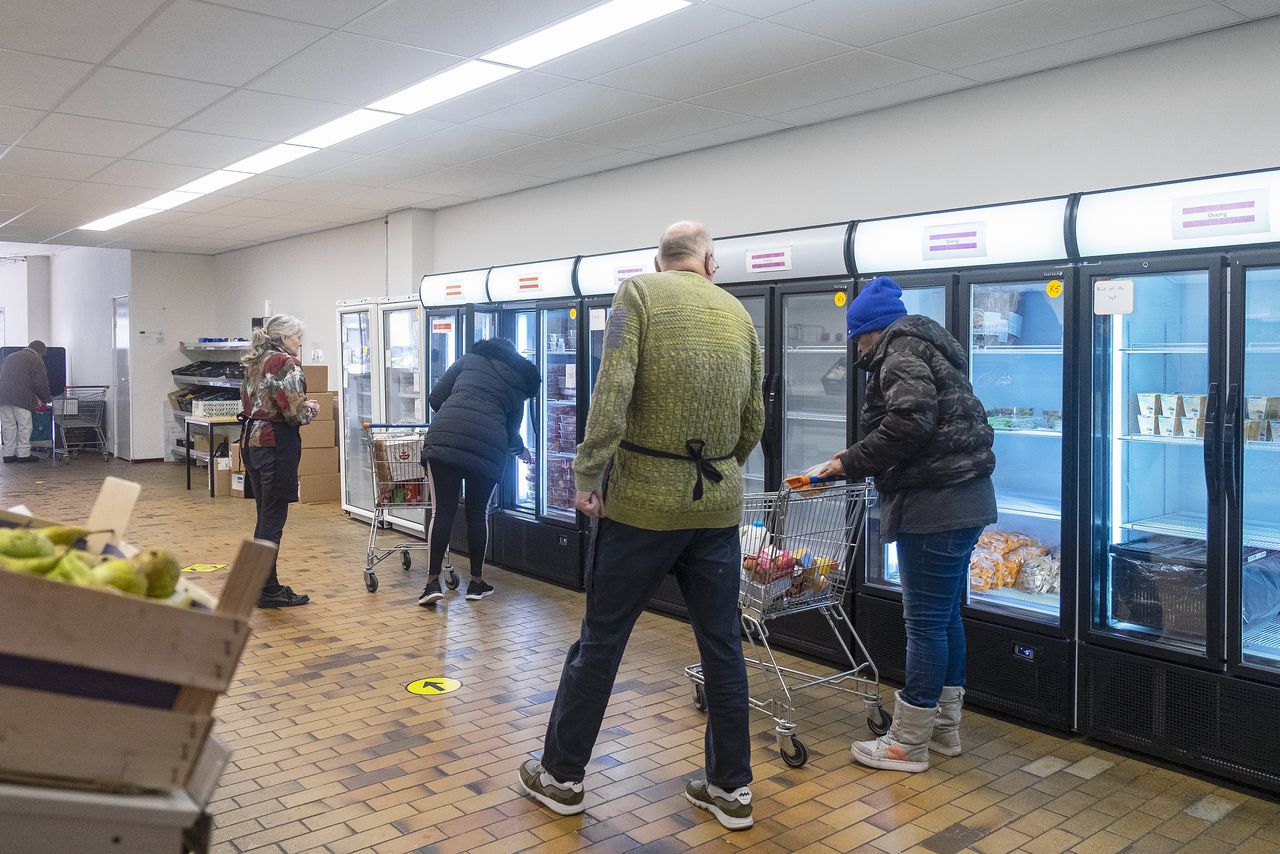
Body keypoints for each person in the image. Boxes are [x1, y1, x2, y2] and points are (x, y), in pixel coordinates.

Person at [517, 221, 765, 831]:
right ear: (709, 260)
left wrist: (587, 473)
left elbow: (613, 390)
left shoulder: (640, 295)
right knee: (722, 647)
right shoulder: (738, 313)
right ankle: (730, 789)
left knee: (601, 641)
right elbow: (754, 413)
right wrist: (727, 468)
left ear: (659, 262)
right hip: (715, 508)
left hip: (642, 507)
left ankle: (562, 777)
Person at [811, 276, 996, 773]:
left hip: (934, 506)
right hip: (967, 500)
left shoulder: (899, 353)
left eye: (857, 336)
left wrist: (845, 462)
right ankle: (942, 729)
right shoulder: (930, 347)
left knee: (925, 624)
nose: (856, 347)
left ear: (869, 330)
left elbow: (910, 422)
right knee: (945, 617)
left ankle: (906, 743)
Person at [418, 337, 539, 606]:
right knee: (476, 514)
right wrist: (522, 452)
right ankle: (476, 583)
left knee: (442, 512)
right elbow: (511, 430)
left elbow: (436, 398)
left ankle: (431, 584)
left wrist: (457, 413)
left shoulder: (468, 360)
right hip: (488, 448)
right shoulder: (517, 380)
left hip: (444, 442)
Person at [239, 315, 319, 609]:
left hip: (251, 442)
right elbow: (294, 414)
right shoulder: (286, 364)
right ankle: (266, 589)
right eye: (298, 336)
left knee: (265, 516)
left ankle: (261, 584)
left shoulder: (255, 361)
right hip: (275, 445)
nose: (300, 341)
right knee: (273, 520)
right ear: (284, 338)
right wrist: (310, 408)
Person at [0, 340, 52, 464]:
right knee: (24, 425)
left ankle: (8, 454)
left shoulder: (10, 357)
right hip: (21, 395)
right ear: (40, 351)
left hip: (3, 394)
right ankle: (23, 454)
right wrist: (46, 398)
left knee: (8, 425)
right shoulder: (35, 359)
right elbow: (40, 382)